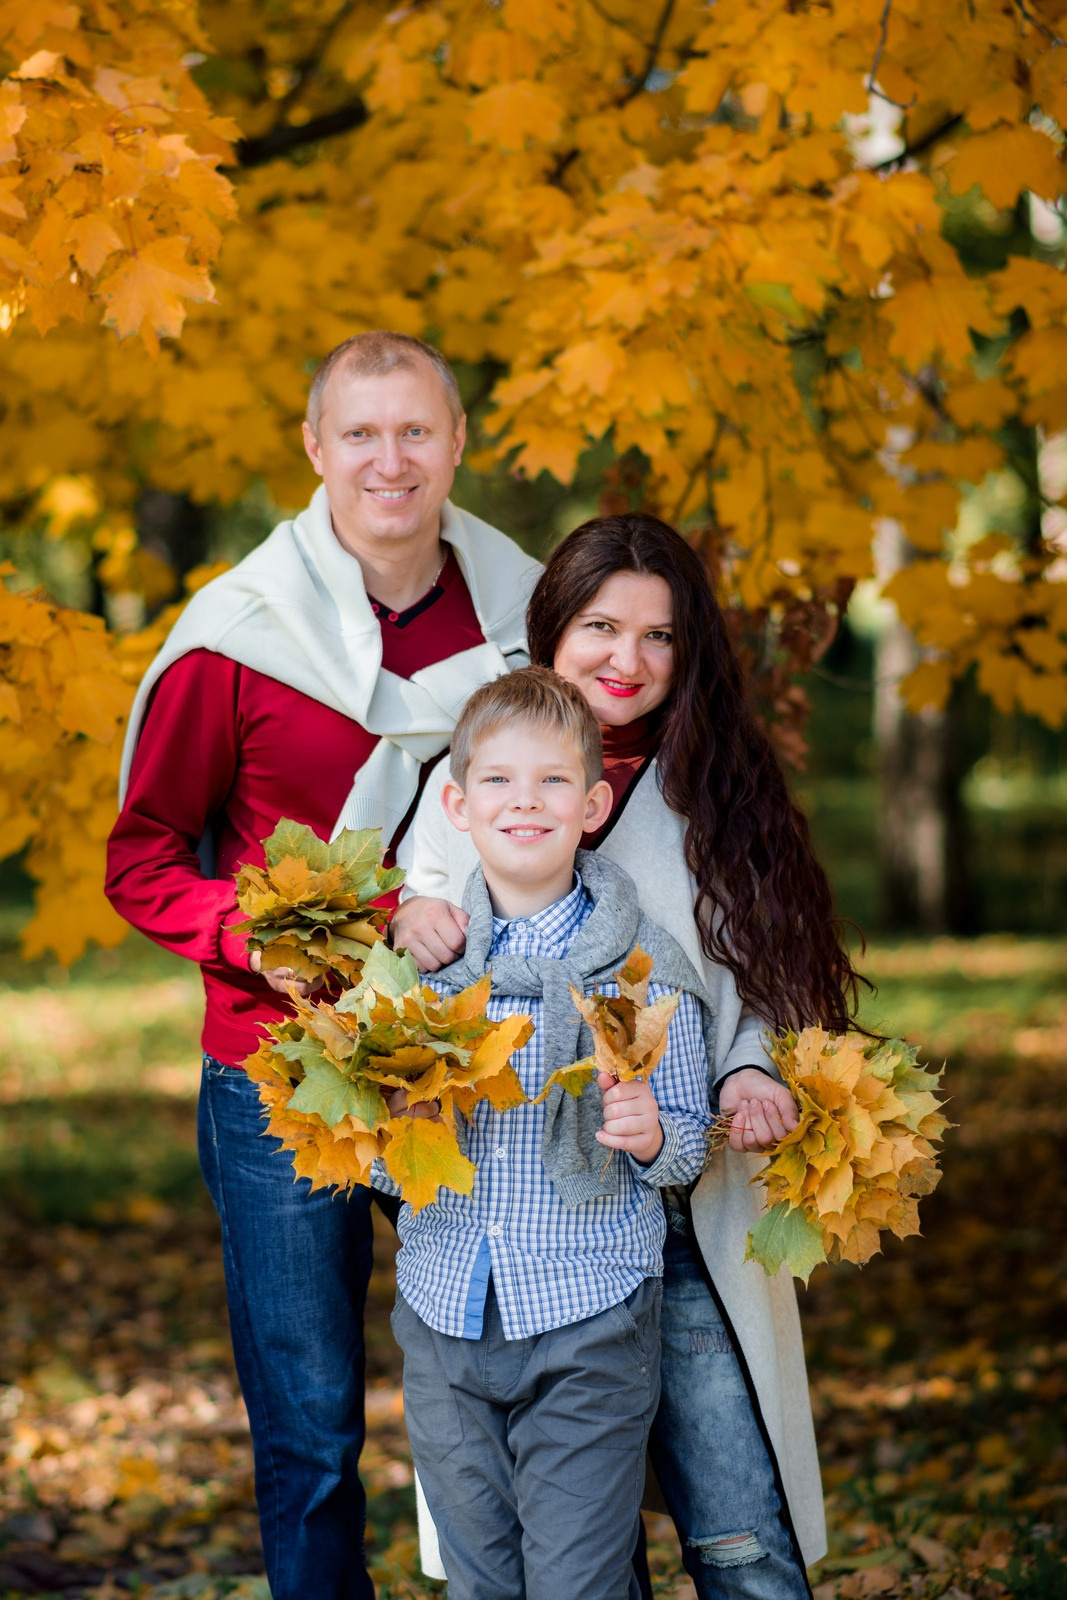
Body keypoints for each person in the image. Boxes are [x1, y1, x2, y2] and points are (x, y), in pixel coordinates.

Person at [104, 332, 542, 1600]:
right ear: (314, 449)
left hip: (476, 1066)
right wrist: (258, 939)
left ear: (457, 443)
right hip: (277, 1077)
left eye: (415, 431)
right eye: (361, 433)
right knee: (309, 1436)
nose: (389, 460)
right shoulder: (234, 637)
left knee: (525, 1384)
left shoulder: (525, 620)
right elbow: (140, 859)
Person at [394, 514, 869, 1598]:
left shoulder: (712, 791)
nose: (627, 658)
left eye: (658, 636)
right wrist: (406, 917)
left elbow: (763, 975)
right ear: (550, 625)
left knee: (730, 1506)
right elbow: (427, 928)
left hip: (678, 1193)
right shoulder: (478, 765)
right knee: (568, 1533)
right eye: (601, 625)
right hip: (525, 1214)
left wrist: (750, 1066)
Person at [376, 666, 716, 1600]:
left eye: (552, 782)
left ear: (593, 803)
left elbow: (686, 1145)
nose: (524, 801)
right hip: (446, 1311)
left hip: (589, 1313)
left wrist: (648, 1135)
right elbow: (372, 1154)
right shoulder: (424, 975)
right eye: (496, 781)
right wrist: (393, 1123)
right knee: (480, 1581)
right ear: (456, 803)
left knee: (576, 1583)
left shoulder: (636, 971)